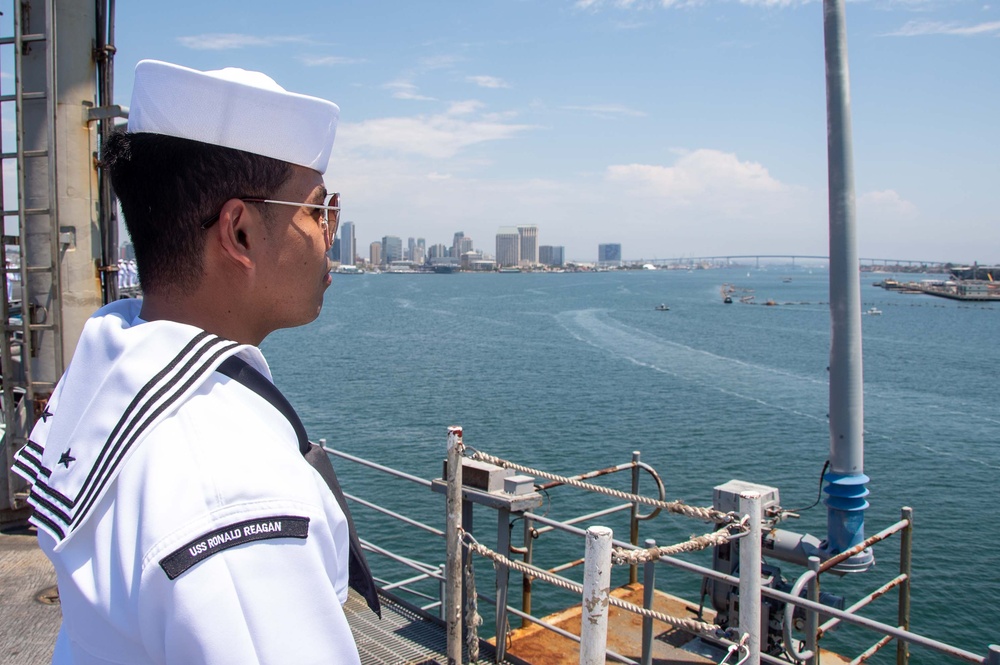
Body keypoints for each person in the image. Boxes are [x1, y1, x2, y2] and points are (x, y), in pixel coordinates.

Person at [12, 60, 372, 664]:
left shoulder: (116, 367)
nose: (327, 232)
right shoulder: (231, 492)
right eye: (317, 209)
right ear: (240, 233)